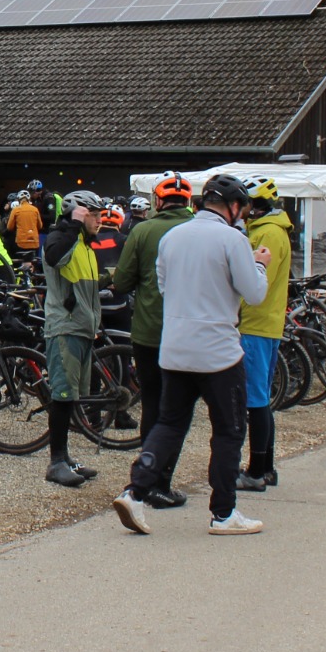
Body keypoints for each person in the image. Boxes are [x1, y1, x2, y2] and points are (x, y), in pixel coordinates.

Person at [113, 174, 271, 537]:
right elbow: (254, 293)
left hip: (175, 345)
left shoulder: (172, 237)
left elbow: (163, 286)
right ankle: (223, 513)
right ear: (233, 207)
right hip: (218, 349)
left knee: (169, 423)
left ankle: (135, 492)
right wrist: (260, 264)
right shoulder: (233, 239)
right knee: (229, 430)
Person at [108, 171, 197, 509]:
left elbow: (123, 282)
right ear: (188, 201)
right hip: (188, 333)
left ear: (158, 201)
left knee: (152, 405)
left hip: (149, 332)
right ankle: (163, 482)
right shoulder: (199, 230)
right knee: (179, 410)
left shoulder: (142, 231)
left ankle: (147, 479)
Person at [41, 189, 106, 488]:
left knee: (71, 398)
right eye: (93, 215)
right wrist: (74, 223)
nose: (99, 221)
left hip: (81, 328)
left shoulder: (86, 246)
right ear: (78, 214)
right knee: (62, 396)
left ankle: (65, 457)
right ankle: (56, 462)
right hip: (65, 327)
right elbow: (54, 257)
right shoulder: (62, 237)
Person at [237, 177, 291, 490]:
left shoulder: (266, 233)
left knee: (255, 399)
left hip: (255, 323)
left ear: (253, 204)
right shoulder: (272, 229)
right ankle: (266, 467)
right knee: (260, 398)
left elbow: (254, 282)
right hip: (267, 322)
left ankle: (257, 471)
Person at [5, 190, 43, 263]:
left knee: (20, 262)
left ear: (19, 199)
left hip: (21, 243)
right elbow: (40, 226)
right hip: (34, 242)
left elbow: (9, 227)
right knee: (33, 262)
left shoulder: (15, 210)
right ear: (29, 199)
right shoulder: (35, 210)